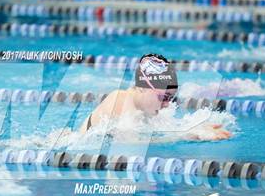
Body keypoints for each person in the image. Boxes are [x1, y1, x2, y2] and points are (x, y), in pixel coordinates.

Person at [79, 54, 231, 140]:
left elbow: (167, 128)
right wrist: (189, 135)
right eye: (164, 97)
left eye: (171, 98)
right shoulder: (120, 98)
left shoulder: (145, 110)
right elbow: (133, 142)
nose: (167, 104)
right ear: (143, 87)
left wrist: (197, 127)